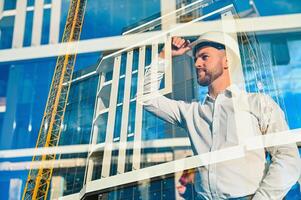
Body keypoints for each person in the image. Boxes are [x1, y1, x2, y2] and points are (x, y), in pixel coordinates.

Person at [142, 31, 301, 200]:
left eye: (204, 57)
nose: (196, 63)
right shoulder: (192, 112)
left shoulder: (258, 103)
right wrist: (165, 55)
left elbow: (288, 158)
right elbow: (146, 99)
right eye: (195, 59)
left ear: (226, 61)